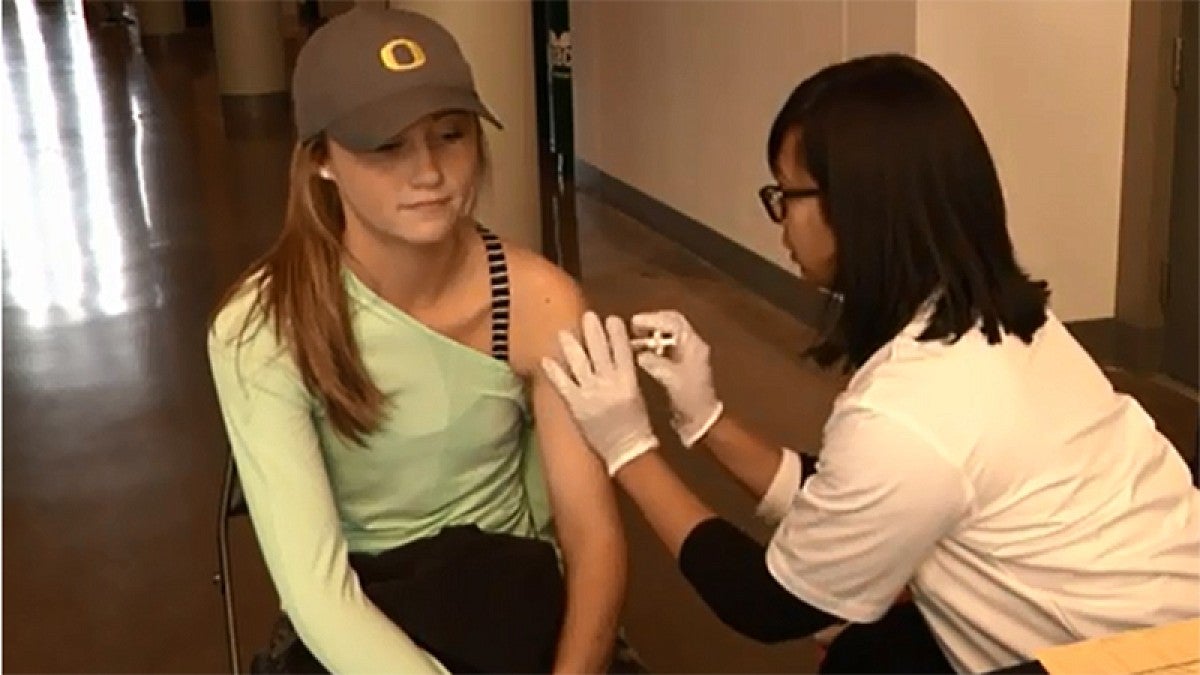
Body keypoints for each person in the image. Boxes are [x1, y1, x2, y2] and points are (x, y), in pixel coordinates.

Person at [542, 53, 1200, 674]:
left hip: (1141, 658)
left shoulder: (911, 407)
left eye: (786, 195)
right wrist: (706, 418)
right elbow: (850, 495)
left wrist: (628, 447)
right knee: (870, 647)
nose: (779, 223)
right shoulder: (1000, 323)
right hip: (1172, 612)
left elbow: (768, 604)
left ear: (856, 204)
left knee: (861, 641)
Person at [207, 8, 624, 673]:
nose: (428, 170)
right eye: (386, 145)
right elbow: (319, 591)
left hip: (512, 597)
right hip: (362, 616)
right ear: (321, 160)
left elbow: (590, 533)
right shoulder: (261, 325)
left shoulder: (542, 301)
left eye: (450, 135)